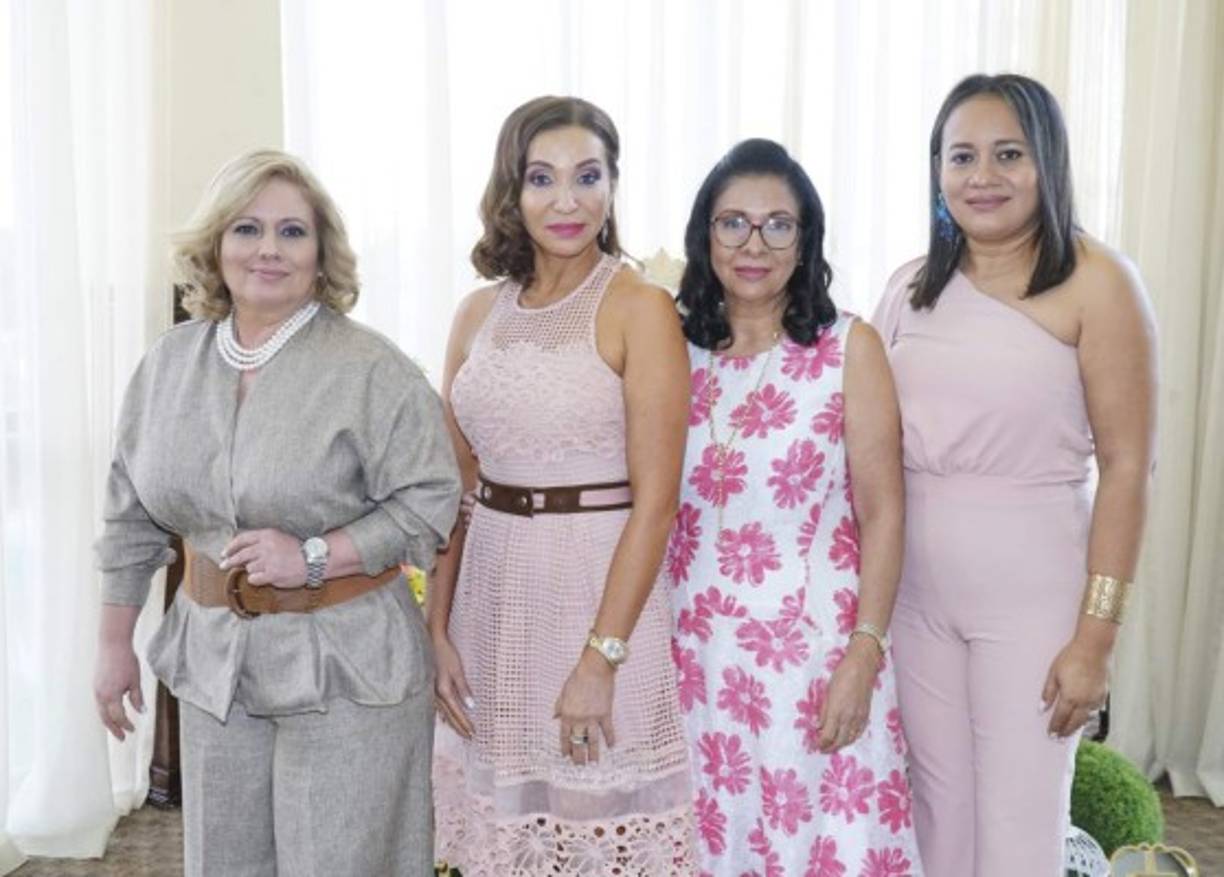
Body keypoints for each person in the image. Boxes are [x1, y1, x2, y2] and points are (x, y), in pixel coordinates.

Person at [92, 150, 460, 876]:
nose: (268, 249)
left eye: (292, 232)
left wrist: (316, 554)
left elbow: (429, 502)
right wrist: (112, 646)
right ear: (215, 245)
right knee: (223, 862)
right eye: (247, 228)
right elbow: (129, 516)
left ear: (322, 254)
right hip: (213, 665)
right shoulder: (167, 365)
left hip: (351, 668)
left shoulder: (370, 369)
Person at [873, 73, 1157, 876]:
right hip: (914, 593)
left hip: (1034, 589)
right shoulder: (905, 290)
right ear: (937, 171)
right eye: (962, 156)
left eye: (1008, 154)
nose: (983, 176)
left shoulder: (1100, 284)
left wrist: (1096, 637)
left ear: (1049, 164)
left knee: (1018, 824)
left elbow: (1131, 466)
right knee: (935, 813)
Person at [428, 95, 697, 874]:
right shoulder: (476, 311)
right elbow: (458, 491)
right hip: (492, 598)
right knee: (504, 839)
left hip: (596, 595)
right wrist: (436, 629)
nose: (566, 200)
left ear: (614, 186)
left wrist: (600, 659)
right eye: (542, 179)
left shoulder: (640, 307)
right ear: (512, 191)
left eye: (588, 176)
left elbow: (658, 502)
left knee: (592, 828)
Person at [670, 138, 922, 876]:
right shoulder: (672, 348)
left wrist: (864, 654)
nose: (755, 244)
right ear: (704, 235)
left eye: (778, 225)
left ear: (806, 239)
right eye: (733, 223)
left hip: (814, 659)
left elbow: (885, 513)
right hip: (696, 662)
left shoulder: (850, 348)